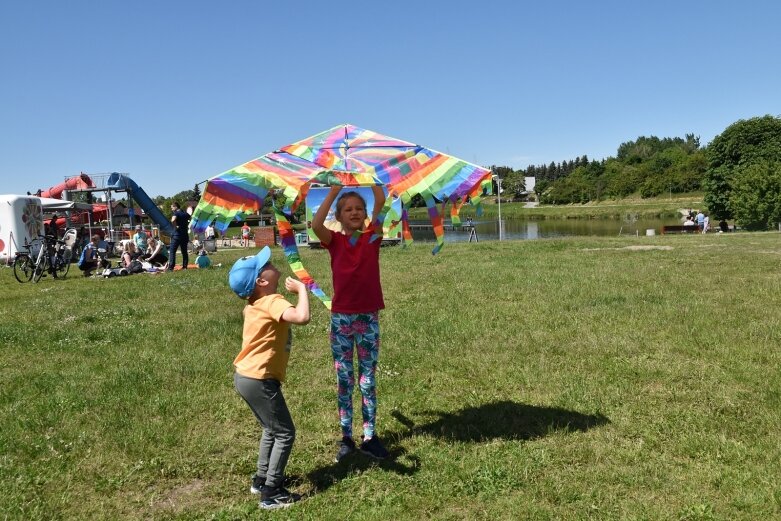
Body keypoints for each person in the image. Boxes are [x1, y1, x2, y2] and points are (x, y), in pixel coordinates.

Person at [312, 185, 390, 462]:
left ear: (366, 214)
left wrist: (370, 175)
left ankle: (369, 436)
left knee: (367, 381)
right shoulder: (333, 240)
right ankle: (346, 436)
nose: (354, 212)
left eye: (359, 208)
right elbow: (315, 223)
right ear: (340, 216)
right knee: (344, 379)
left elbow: (381, 198)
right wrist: (334, 191)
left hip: (368, 318)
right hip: (342, 319)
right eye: (348, 209)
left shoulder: (372, 237)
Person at [228, 246, 310, 510]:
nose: (272, 262)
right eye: (267, 264)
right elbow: (302, 316)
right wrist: (302, 291)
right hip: (260, 379)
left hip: (245, 377)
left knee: (270, 428)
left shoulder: (254, 304)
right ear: (262, 282)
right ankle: (272, 492)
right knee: (285, 433)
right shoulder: (273, 301)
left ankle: (261, 479)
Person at [167, 202, 191, 271]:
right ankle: (185, 267)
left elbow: (173, 220)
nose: (172, 209)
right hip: (185, 235)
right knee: (184, 252)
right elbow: (190, 219)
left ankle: (171, 268)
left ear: (176, 207)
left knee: (172, 251)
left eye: (172, 207)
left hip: (177, 235)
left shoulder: (176, 213)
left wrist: (175, 226)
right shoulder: (186, 214)